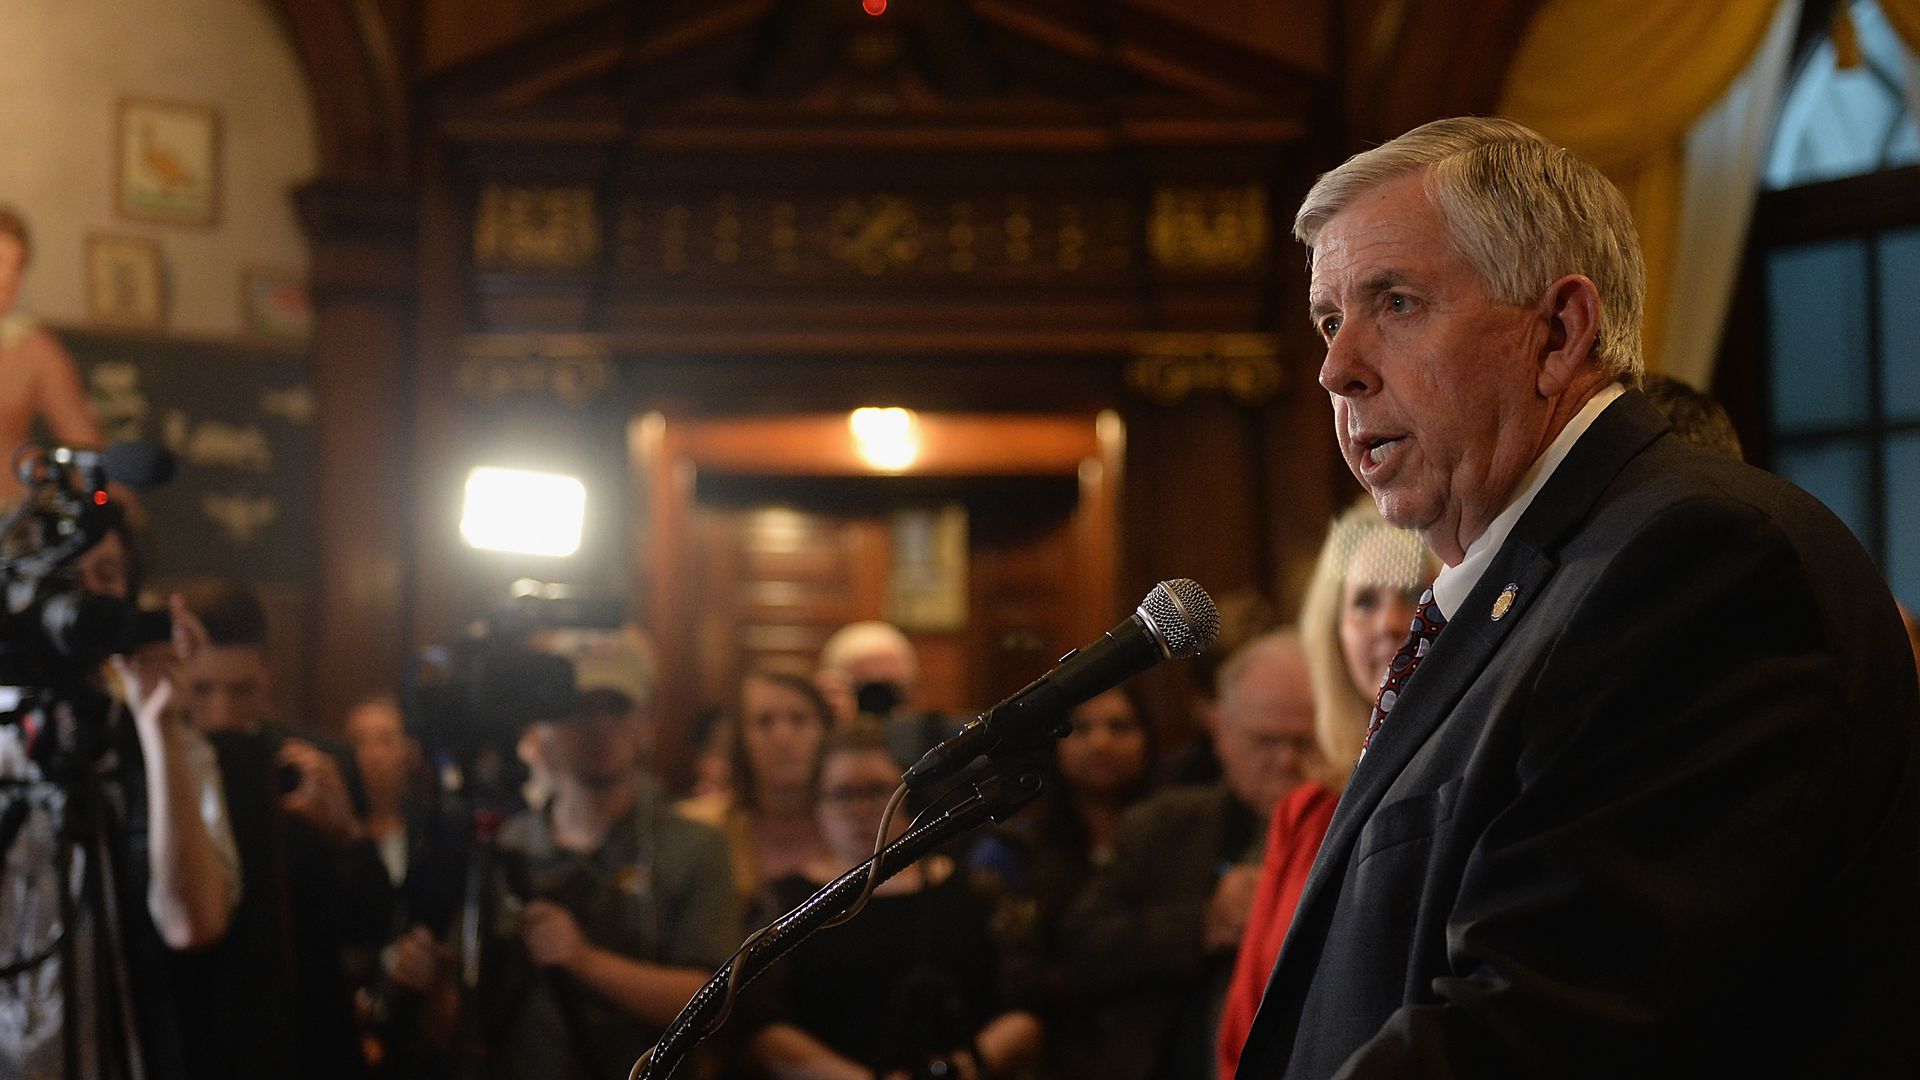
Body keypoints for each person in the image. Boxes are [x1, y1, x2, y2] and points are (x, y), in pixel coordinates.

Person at [1236, 116, 1920, 1078]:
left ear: (1558, 332)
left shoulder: (1695, 564)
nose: (1335, 367)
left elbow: (1544, 1024)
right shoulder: (1523, 588)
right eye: (1327, 318)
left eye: (1393, 303)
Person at [433, 633, 740, 1080]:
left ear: (646, 722)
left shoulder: (695, 846)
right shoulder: (505, 846)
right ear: (545, 725)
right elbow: (458, 1015)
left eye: (616, 707)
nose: (598, 726)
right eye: (578, 707)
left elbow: (714, 1000)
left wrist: (583, 960)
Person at [0, 517, 237, 1079]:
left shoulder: (158, 740)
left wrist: (159, 729)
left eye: (105, 574)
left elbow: (193, 923)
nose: (82, 596)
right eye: (60, 575)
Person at [1215, 500, 1435, 1077]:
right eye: (1363, 600)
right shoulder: (1305, 812)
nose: (1388, 622)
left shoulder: (1469, 781)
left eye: (1412, 592)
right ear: (1332, 630)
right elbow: (1245, 1028)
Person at [1059, 630, 1316, 1080]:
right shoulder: (1164, 825)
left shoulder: (1353, 828)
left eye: (1305, 742)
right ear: (1223, 734)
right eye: (1265, 742)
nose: (1286, 761)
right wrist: (1204, 922)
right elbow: (1083, 946)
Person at [168, 581, 394, 1080]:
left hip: (305, 1038)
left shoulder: (317, 763)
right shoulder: (159, 768)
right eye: (203, 689)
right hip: (191, 1035)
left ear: (268, 677)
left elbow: (372, 925)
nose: (222, 714)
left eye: (242, 690)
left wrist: (345, 837)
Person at [743, 720, 1042, 1080]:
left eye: (876, 790)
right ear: (816, 802)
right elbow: (760, 1024)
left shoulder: (977, 890)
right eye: (842, 793)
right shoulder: (785, 903)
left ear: (907, 794)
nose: (861, 808)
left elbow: (1028, 1005)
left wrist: (953, 1072)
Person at [967, 686, 1156, 1077]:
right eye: (1081, 729)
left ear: (1147, 740)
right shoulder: (1017, 848)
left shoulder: (1180, 841)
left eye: (1119, 727)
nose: (1101, 742)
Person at [676, 669, 830, 906]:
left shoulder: (855, 826)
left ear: (826, 731)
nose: (783, 737)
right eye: (764, 722)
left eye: (799, 720)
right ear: (740, 740)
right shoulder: (700, 828)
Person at [0, 205, 104, 505]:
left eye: (15, 267)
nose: (6, 279)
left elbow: (82, 441)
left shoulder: (34, 349)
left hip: (8, 515)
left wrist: (100, 503)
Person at [816, 620, 956, 769]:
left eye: (892, 688)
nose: (878, 699)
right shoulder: (819, 753)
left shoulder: (934, 745)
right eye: (867, 690)